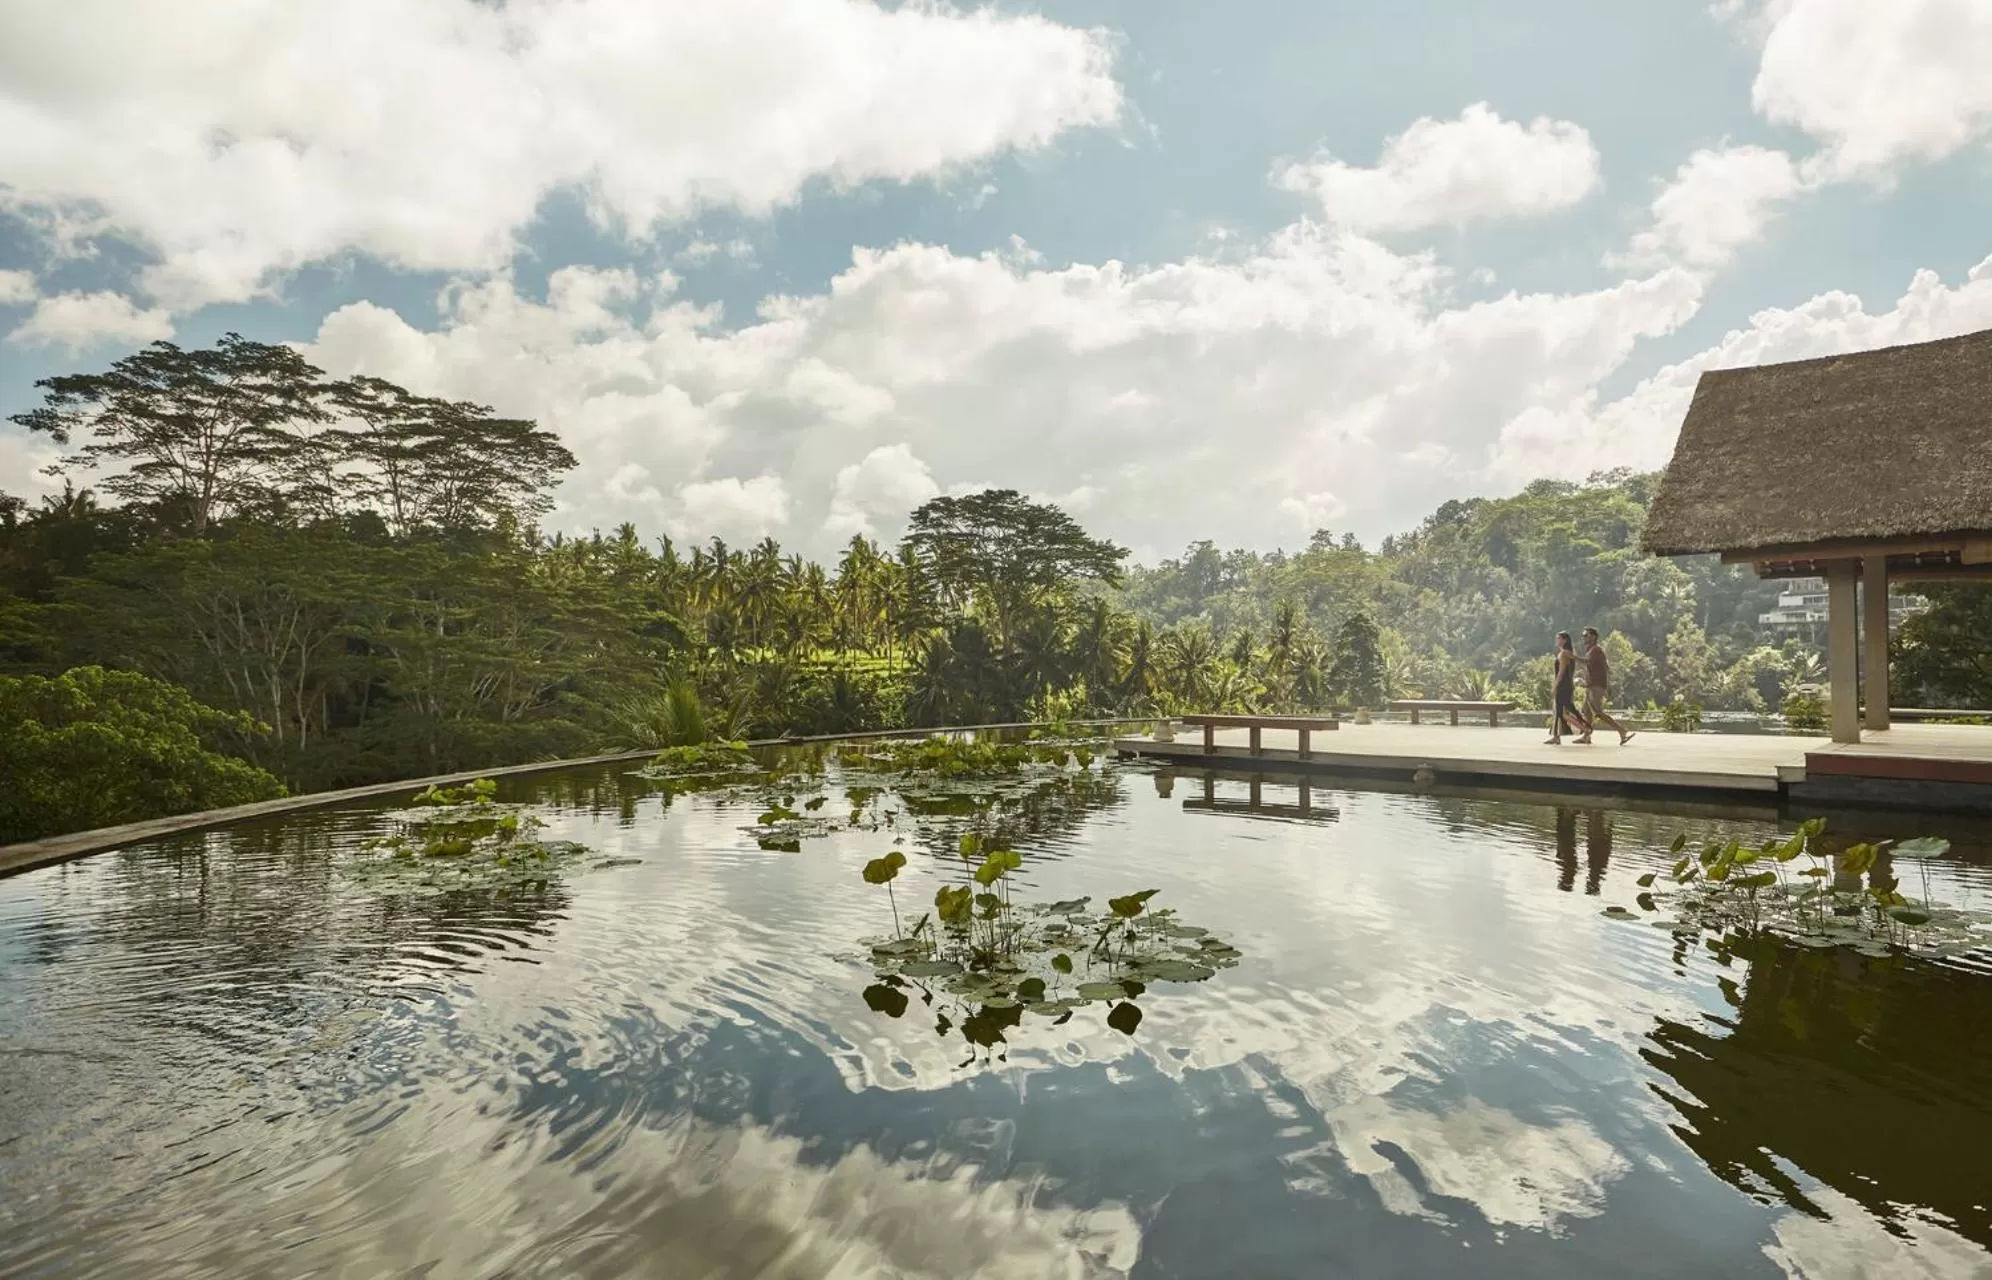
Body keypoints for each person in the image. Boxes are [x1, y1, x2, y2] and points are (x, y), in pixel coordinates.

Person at [1576, 627, 1633, 746]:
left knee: (1598, 712)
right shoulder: (1591, 650)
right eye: (1583, 636)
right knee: (1586, 710)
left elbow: (1588, 662)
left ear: (1593, 636)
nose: (1584, 638)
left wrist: (1573, 657)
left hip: (1596, 686)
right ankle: (1587, 736)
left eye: (1586, 635)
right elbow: (1604, 667)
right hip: (1591, 685)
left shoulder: (1596, 650)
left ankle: (1622, 731)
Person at [1547, 631, 1590, 745]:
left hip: (1563, 685)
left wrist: (1555, 686)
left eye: (1559, 638)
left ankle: (1586, 729)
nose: (1557, 640)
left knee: (1563, 712)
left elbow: (1561, 672)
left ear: (1565, 640)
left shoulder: (1564, 654)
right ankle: (1557, 736)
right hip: (1567, 684)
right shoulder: (1568, 653)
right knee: (1563, 710)